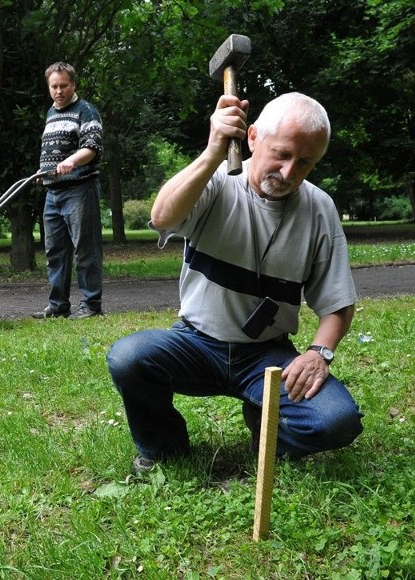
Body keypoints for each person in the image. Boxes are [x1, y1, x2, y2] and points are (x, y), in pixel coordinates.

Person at [107, 92, 364, 473]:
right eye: (282, 153)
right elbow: (162, 217)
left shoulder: (319, 208)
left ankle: (267, 431)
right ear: (254, 137)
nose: (290, 172)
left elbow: (338, 304)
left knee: (337, 420)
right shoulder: (215, 182)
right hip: (195, 343)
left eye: (306, 161)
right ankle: (164, 449)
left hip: (266, 355)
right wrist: (212, 151)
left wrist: (318, 353)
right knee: (129, 358)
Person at [33, 61, 104, 320]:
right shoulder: (51, 113)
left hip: (79, 189)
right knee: (55, 252)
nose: (59, 91)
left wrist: (71, 161)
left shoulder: (86, 111)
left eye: (64, 86)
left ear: (73, 84)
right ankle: (58, 306)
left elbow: (92, 147)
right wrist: (45, 173)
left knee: (85, 249)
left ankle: (91, 305)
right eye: (54, 86)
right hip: (53, 192)